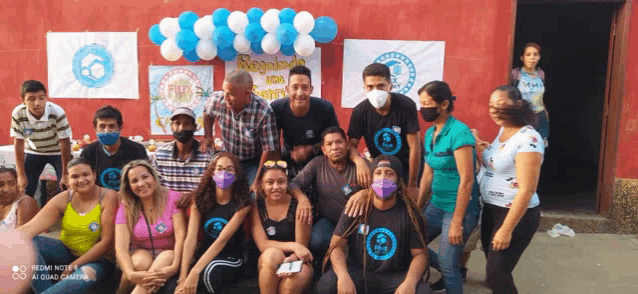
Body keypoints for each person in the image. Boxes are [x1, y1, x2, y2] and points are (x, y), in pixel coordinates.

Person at [315, 155, 431, 294]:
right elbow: (336, 246)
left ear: (399, 182)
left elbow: (420, 255)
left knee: (423, 291)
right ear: (371, 180)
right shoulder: (356, 207)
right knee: (326, 285)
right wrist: (343, 276)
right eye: (378, 173)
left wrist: (410, 282)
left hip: (395, 276)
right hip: (358, 272)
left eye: (389, 173)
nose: (383, 178)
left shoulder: (410, 214)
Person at [415, 81, 481, 293]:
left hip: (459, 207)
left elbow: (467, 180)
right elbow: (426, 176)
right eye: (421, 104)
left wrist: (457, 222)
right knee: (412, 241)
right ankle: (452, 270)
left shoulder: (459, 133)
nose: (423, 109)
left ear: (443, 105)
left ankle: (451, 273)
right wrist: (416, 208)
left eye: (427, 104)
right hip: (437, 203)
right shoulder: (430, 133)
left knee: (446, 260)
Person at [17, 158, 118, 293]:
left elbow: (106, 242)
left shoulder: (108, 197)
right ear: (67, 180)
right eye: (75, 176)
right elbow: (30, 227)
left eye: (85, 174)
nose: (81, 180)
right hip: (67, 252)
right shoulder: (64, 198)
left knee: (80, 278)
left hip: (99, 260)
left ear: (94, 175)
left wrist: (72, 266)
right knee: (26, 243)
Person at [479, 85, 543, 294]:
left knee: (498, 274)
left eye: (502, 105)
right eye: (491, 106)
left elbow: (526, 189)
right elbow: (500, 160)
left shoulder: (529, 139)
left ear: (518, 105)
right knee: (493, 269)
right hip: (491, 209)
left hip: (515, 215)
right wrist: (481, 145)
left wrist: (506, 229)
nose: (495, 110)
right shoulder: (503, 131)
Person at [175, 152, 253, 294]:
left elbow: (222, 240)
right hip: (204, 256)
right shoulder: (200, 200)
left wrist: (194, 271)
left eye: (229, 169)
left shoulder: (242, 203)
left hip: (231, 258)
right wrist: (183, 276)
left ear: (237, 174)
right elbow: (190, 239)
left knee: (209, 272)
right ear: (212, 173)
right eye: (219, 168)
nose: (224, 173)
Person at [347, 63, 421, 198]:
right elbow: (351, 146)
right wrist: (359, 161)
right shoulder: (359, 111)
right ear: (364, 88)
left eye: (380, 86)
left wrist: (413, 184)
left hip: (408, 168)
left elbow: (415, 147)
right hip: (381, 171)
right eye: (370, 87)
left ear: (390, 86)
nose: (375, 91)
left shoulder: (406, 106)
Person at [201, 69, 280, 192]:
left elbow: (268, 149)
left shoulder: (263, 111)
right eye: (224, 92)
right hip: (227, 158)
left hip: (253, 162)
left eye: (231, 94)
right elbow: (207, 112)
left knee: (254, 195)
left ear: (247, 94)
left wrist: (258, 180)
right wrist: (208, 137)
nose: (225, 98)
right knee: (217, 190)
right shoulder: (217, 100)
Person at [114, 160, 186, 294]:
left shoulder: (173, 198)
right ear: (129, 186)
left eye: (145, 177)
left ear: (154, 177)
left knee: (167, 255)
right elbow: (120, 247)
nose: (141, 184)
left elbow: (181, 237)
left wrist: (175, 266)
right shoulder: (126, 206)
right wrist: (130, 273)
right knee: (141, 262)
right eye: (134, 181)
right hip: (139, 254)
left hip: (170, 257)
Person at [289, 127, 364, 255]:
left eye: (339, 142)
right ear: (324, 150)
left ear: (347, 145)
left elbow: (379, 187)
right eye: (329, 144)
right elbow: (293, 184)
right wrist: (302, 199)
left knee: (367, 242)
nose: (335, 147)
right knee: (317, 241)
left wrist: (366, 193)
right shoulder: (317, 164)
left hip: (357, 222)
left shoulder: (360, 166)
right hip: (330, 221)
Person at [251, 160, 313, 294]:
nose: (276, 187)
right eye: (269, 182)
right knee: (272, 254)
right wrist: (294, 246)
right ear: (262, 184)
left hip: (297, 260)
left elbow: (302, 248)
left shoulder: (299, 206)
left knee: (288, 286)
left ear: (287, 183)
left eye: (281, 182)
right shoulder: (256, 206)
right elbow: (262, 244)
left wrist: (292, 257)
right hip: (269, 261)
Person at [10, 80, 72, 206]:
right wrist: (21, 175)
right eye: (31, 99)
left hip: (57, 152)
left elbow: (65, 142)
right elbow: (19, 143)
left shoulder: (57, 112)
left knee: (65, 185)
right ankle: (27, 218)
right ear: (23, 100)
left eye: (41, 98)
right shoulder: (18, 113)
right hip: (34, 151)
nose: (37, 103)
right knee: (25, 188)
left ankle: (59, 218)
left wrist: (65, 173)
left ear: (46, 98)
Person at [270, 65, 340, 179]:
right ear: (287, 89)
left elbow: (334, 141)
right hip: (289, 156)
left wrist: (310, 149)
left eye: (304, 87)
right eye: (295, 87)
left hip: (320, 157)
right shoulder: (277, 108)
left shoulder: (325, 108)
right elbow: (274, 143)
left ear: (311, 89)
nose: (300, 93)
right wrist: (279, 168)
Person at [80, 105, 148, 191]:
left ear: (120, 128)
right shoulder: (89, 152)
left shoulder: (136, 150)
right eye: (102, 126)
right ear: (95, 128)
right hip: (99, 200)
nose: (107, 131)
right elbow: (83, 181)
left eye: (112, 126)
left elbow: (144, 180)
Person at [153, 107, 213, 193]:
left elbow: (211, 189)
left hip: (197, 204)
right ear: (171, 127)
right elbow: (157, 188)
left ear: (194, 127)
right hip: (169, 205)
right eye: (177, 123)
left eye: (187, 123)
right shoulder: (160, 155)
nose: (181, 128)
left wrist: (192, 197)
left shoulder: (207, 155)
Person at [511, 42, 549, 147]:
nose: (532, 58)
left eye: (535, 54)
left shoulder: (541, 74)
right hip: (523, 117)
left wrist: (546, 115)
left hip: (540, 117)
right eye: (528, 55)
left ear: (539, 57)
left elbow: (540, 97)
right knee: (524, 149)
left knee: (539, 149)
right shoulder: (516, 74)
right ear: (522, 57)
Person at [0, 164, 39, 232]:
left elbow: (21, 238)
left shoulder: (25, 203)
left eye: (12, 183)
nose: (7, 189)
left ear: (17, 184)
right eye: (0, 185)